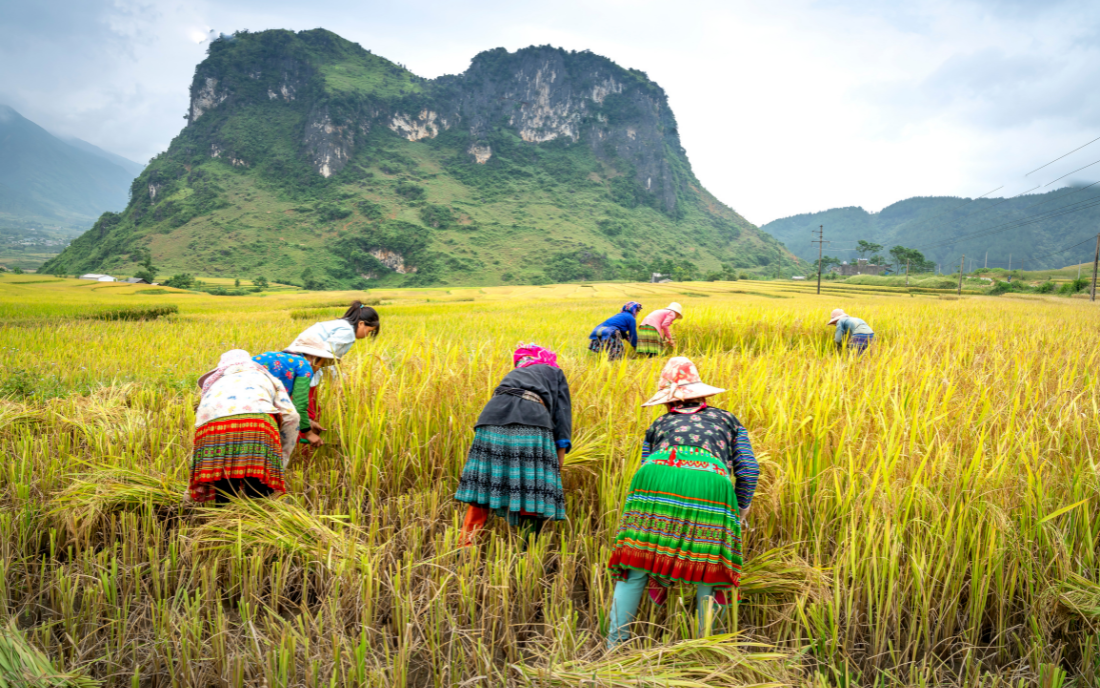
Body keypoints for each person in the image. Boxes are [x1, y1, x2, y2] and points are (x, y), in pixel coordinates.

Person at [606, 357, 758, 648]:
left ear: (668, 400)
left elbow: (645, 465)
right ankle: (707, 649)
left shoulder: (660, 422)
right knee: (709, 568)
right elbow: (749, 470)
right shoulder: (728, 420)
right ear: (701, 393)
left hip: (653, 477)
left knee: (636, 561)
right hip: (710, 482)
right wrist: (738, 509)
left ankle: (615, 647)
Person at [454, 344, 572, 545]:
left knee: (483, 488)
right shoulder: (554, 371)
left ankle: (465, 548)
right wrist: (559, 456)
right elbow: (562, 415)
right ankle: (527, 552)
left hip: (490, 421)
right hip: (532, 422)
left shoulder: (515, 373)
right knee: (531, 490)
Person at [189, 350, 300, 504]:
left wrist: (194, 469)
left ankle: (221, 519)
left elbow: (202, 422)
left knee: (224, 489)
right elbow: (292, 416)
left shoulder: (215, 383)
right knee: (258, 491)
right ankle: (258, 518)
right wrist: (282, 455)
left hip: (214, 430)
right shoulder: (266, 377)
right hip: (258, 426)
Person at [294, 300, 381, 439]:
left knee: (312, 410)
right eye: (369, 331)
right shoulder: (347, 332)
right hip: (303, 370)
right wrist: (310, 374)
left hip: (298, 366)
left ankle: (304, 450)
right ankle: (303, 450)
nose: (366, 336)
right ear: (361, 324)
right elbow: (323, 355)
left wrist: (341, 380)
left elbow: (330, 361)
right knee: (308, 413)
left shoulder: (341, 326)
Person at [252, 333, 335, 451]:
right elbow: (299, 405)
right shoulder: (304, 365)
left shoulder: (273, 357)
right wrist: (309, 433)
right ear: (313, 357)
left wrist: (308, 422)